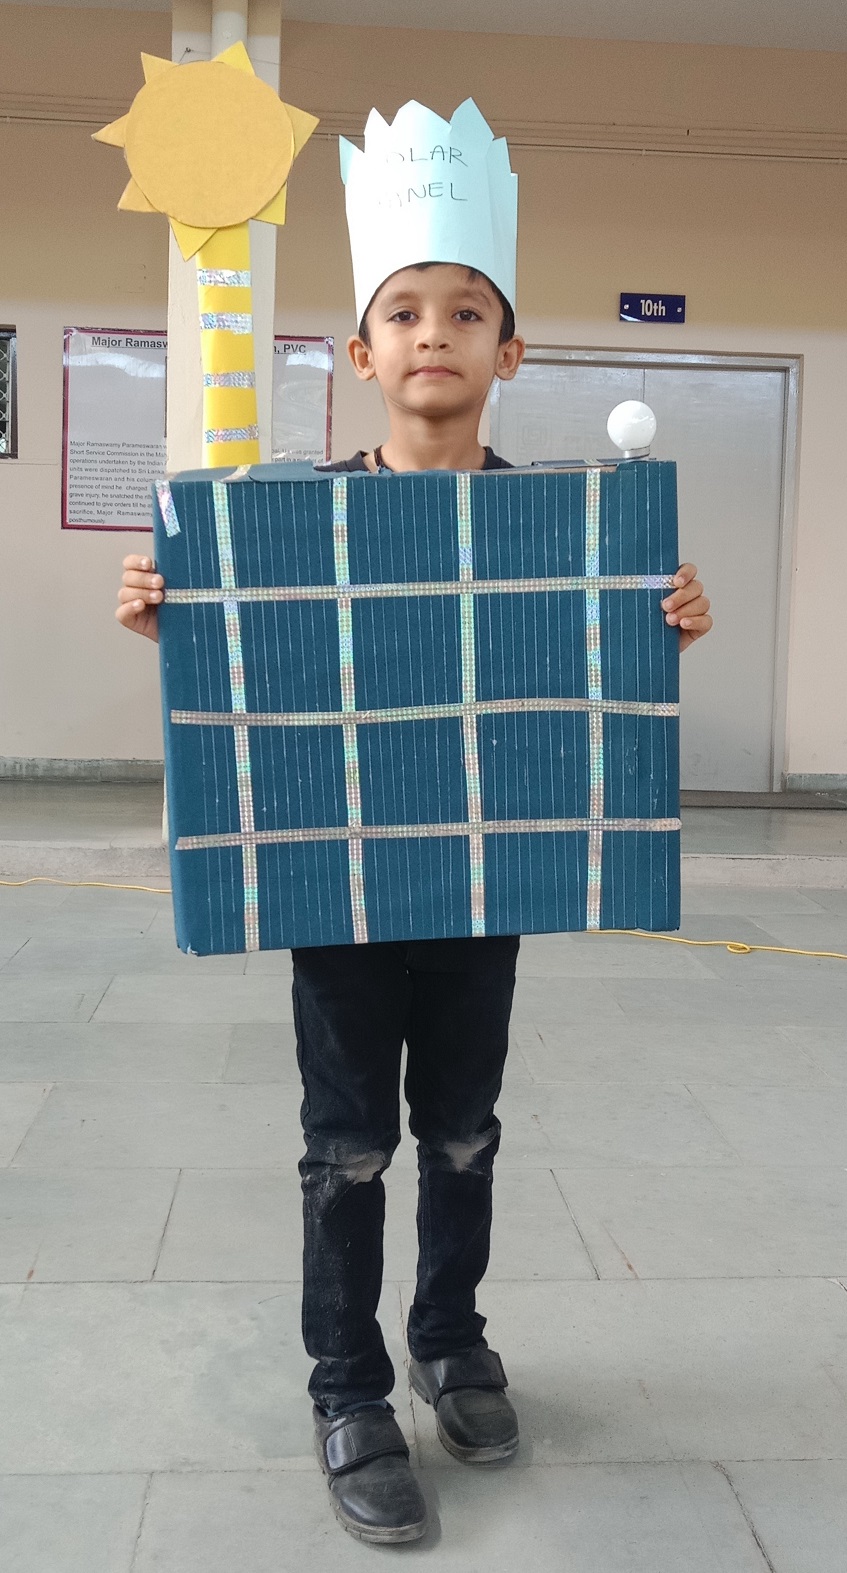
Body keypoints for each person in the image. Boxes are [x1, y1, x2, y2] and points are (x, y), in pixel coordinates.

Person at [116, 99, 712, 1547]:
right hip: (341, 895)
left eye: (464, 312)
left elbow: (575, 691)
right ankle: (348, 1388)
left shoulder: (566, 530)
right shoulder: (287, 527)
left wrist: (663, 626)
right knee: (348, 1147)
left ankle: (450, 1336)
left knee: (461, 1130)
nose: (432, 332)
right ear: (361, 353)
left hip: (481, 888)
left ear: (510, 352)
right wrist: (174, 620)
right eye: (403, 311)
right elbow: (256, 686)